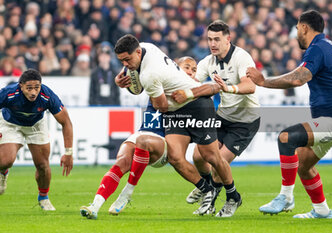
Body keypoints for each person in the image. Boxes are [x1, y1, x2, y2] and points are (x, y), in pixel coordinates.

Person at [114, 34, 237, 217]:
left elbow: (161, 106)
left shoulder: (150, 75)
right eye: (121, 61)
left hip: (197, 106)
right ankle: (207, 190)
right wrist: (122, 82)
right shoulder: (146, 47)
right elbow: (140, 87)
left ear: (138, 52)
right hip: (176, 111)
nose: (125, 64)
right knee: (175, 157)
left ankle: (233, 195)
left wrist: (148, 90)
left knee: (211, 157)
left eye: (128, 59)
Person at [246, 10, 332, 219]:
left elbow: (297, 79)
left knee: (286, 137)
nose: (296, 34)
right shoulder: (328, 46)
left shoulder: (317, 48)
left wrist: (263, 81)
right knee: (303, 166)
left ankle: (285, 197)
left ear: (304, 27)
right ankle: (322, 211)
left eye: (296, 29)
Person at [80, 56, 198, 220]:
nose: (190, 72)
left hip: (163, 144)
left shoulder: (194, 95)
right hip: (143, 133)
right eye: (187, 67)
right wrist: (118, 78)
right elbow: (135, 71)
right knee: (120, 162)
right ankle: (95, 206)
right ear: (175, 69)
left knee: (143, 142)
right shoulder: (158, 80)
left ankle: (127, 192)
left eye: (194, 70)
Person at [172, 20, 260, 216]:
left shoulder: (241, 58)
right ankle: (208, 189)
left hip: (245, 120)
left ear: (228, 39)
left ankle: (230, 199)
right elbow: (191, 84)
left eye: (217, 39)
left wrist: (228, 88)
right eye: (210, 39)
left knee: (219, 164)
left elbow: (251, 86)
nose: (212, 43)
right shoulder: (207, 62)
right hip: (222, 116)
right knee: (198, 157)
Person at [0, 69, 73, 210]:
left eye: (36, 88)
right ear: (20, 86)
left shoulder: (47, 96)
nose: (33, 92)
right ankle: (3, 171)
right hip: (10, 123)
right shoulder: (8, 93)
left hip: (36, 125)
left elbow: (66, 122)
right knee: (6, 160)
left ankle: (44, 198)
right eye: (29, 88)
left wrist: (68, 152)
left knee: (42, 165)